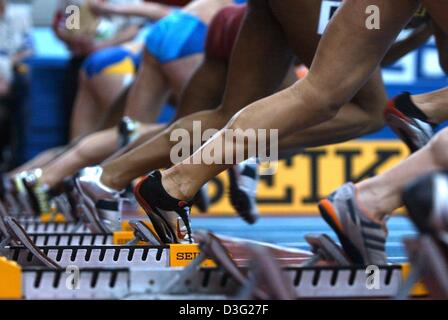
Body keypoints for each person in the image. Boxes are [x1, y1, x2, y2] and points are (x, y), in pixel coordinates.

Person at [75, 0, 447, 248]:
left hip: (228, 16)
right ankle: (247, 153)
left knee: (244, 110)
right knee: (363, 108)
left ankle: (111, 180)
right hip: (269, 13)